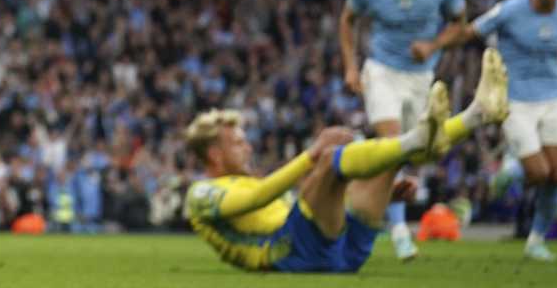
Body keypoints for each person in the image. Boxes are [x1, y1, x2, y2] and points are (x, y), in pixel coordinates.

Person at [183, 49, 508, 272]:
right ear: (214, 154)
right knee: (330, 160)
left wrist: (382, 196)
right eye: (238, 144)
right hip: (291, 253)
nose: (248, 148)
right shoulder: (201, 194)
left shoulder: (244, 179)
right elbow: (258, 198)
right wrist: (310, 155)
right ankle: (420, 138)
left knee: (386, 160)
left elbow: (298, 203)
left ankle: (477, 114)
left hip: (338, 251)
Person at [415, 0, 557, 261]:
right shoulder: (510, 10)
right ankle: (509, 170)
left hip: (552, 99)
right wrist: (433, 45)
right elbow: (469, 33)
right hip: (514, 100)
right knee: (539, 171)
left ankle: (535, 240)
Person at [337, 0, 466, 260]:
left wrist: (433, 45)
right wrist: (351, 67)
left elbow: (460, 23)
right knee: (393, 144)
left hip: (421, 77)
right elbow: (347, 21)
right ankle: (398, 232)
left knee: (412, 154)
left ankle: (366, 200)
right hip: (381, 70)